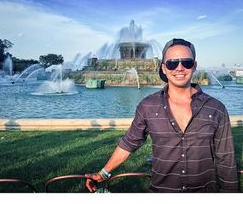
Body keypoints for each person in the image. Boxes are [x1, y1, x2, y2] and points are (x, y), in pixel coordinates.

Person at [85, 38, 239, 193]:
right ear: (164, 68)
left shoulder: (216, 109)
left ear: (195, 66)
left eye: (186, 62)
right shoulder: (148, 106)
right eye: (172, 63)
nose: (179, 68)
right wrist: (103, 173)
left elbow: (226, 159)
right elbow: (129, 143)